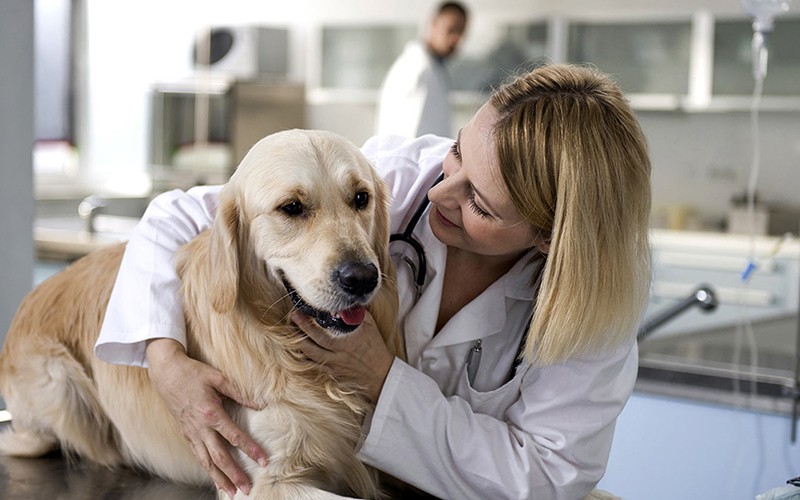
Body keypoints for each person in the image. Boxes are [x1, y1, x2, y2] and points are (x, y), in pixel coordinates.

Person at [96, 63, 652, 499]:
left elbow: (547, 480)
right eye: (456, 153)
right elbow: (179, 216)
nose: (439, 193)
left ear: (550, 237)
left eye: (478, 202)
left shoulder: (593, 317)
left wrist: (380, 375)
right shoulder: (394, 175)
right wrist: (163, 359)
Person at [374, 2, 468, 138]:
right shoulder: (419, 69)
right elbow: (411, 136)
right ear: (433, 24)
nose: (456, 39)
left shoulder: (433, 68)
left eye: (461, 32)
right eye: (451, 30)